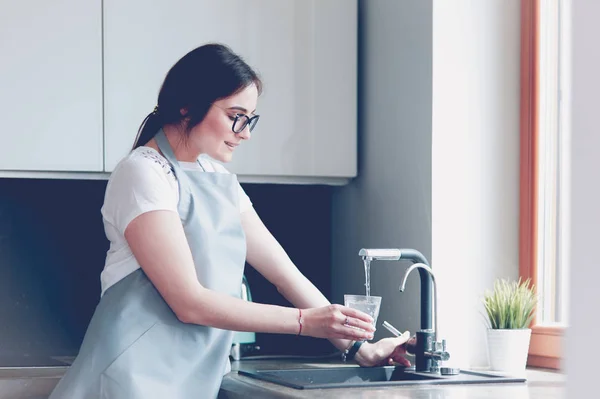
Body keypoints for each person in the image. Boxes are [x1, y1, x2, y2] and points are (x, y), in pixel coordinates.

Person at [49, 43, 411, 399]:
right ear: (187, 105)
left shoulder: (220, 180)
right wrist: (304, 323)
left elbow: (285, 275)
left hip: (191, 383)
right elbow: (188, 302)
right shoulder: (143, 173)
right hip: (127, 382)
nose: (245, 132)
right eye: (236, 115)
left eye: (250, 118)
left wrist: (357, 348)